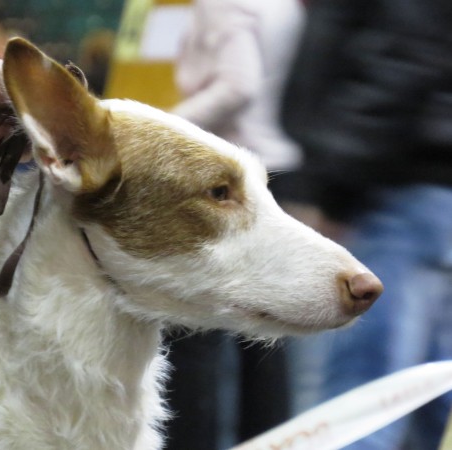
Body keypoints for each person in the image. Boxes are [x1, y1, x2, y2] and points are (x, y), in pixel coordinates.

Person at [281, 0, 452, 448]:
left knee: (364, 403)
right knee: (422, 391)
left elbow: (398, 67)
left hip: (392, 189)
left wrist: (333, 188)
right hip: (424, 188)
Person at [167, 1, 305, 448]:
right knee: (268, 332)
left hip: (228, 183)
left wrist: (160, 131)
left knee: (194, 331)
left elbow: (237, 86)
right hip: (277, 167)